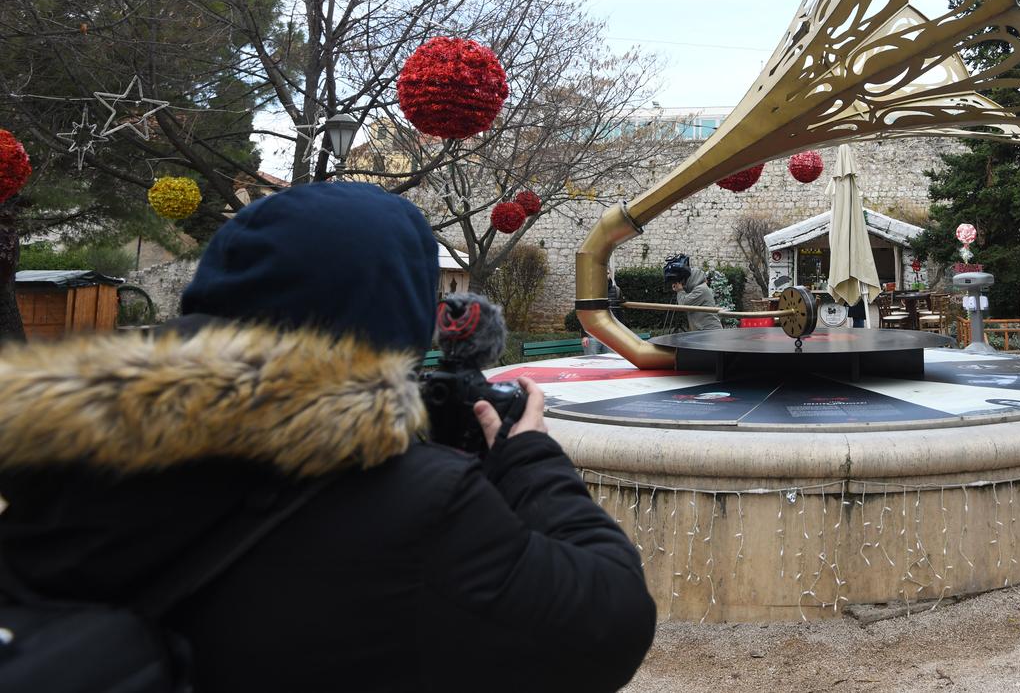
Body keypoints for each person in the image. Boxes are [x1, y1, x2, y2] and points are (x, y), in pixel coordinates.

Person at [0, 182, 656, 693]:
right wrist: (528, 459)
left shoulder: (60, 443)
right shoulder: (417, 505)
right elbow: (609, 622)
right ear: (393, 307)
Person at [664, 253, 721, 331]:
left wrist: (680, 290)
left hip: (710, 332)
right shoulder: (697, 288)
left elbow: (684, 305)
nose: (682, 284)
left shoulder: (701, 290)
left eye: (683, 281)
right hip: (703, 332)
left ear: (690, 279)